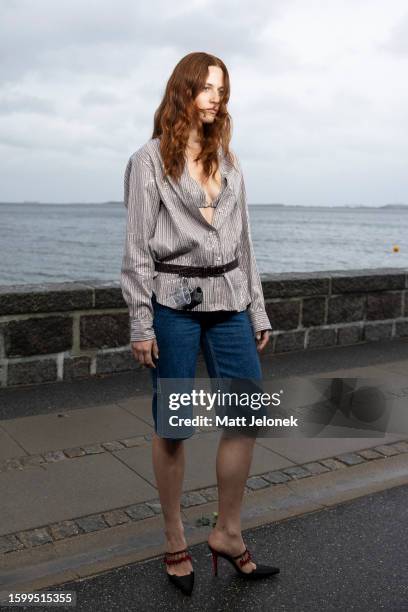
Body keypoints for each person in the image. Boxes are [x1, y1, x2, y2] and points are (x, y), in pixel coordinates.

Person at [121, 51, 279, 596]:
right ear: (183, 90)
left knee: (246, 416)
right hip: (174, 305)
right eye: (207, 87)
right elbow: (138, 250)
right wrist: (141, 322)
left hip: (231, 301)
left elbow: (245, 245)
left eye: (222, 89)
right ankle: (174, 539)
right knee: (175, 426)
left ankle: (228, 534)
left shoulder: (230, 162)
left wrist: (256, 308)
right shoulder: (148, 162)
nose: (216, 97)